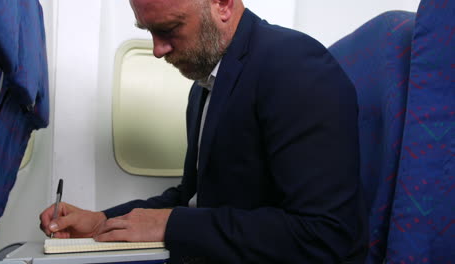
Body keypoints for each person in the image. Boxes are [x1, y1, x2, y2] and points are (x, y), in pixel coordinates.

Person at [40, 0, 368, 263]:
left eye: (169, 28)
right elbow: (193, 197)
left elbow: (325, 234)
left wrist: (171, 225)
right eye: (149, 31)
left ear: (222, 5)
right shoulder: (204, 87)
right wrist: (101, 221)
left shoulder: (293, 66)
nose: (157, 49)